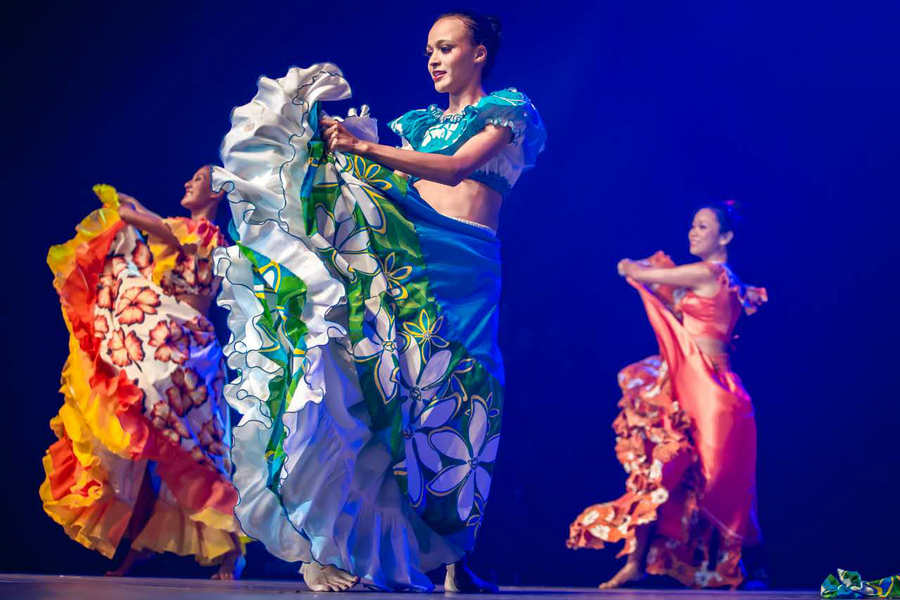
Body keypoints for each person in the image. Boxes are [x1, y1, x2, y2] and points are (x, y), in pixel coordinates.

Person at [211, 10, 545, 592]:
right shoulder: (417, 124)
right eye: (429, 52)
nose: (435, 59)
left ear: (479, 54)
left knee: (465, 401)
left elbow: (457, 166)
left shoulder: (508, 111)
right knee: (384, 391)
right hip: (410, 262)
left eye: (446, 48)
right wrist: (340, 149)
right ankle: (330, 542)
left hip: (466, 267)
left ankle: (452, 556)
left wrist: (371, 152)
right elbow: (397, 191)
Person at [40, 168, 244, 579]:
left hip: (188, 357)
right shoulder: (183, 229)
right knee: (149, 448)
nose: (187, 181)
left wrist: (121, 206)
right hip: (162, 350)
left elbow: (151, 224)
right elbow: (155, 222)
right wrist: (128, 207)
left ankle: (231, 549)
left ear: (218, 192)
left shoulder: (208, 236)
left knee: (199, 450)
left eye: (199, 179)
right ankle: (139, 545)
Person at [567, 203, 767, 589]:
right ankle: (637, 562)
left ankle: (738, 569)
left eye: (703, 226)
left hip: (709, 394)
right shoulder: (721, 279)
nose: (693, 232)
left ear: (725, 237)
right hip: (692, 387)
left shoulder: (708, 273)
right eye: (692, 225)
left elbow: (646, 274)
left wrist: (629, 267)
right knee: (659, 470)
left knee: (714, 482)